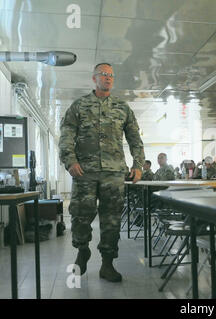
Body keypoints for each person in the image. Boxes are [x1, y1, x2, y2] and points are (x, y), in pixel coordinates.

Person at [59, 62, 145, 282]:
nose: (108, 78)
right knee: (80, 214)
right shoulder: (79, 106)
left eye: (111, 75)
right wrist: (70, 161)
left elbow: (135, 139)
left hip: (114, 173)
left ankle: (107, 264)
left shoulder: (122, 107)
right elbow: (66, 135)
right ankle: (82, 250)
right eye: (103, 74)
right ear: (94, 78)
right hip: (84, 171)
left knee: (112, 219)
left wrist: (138, 164)